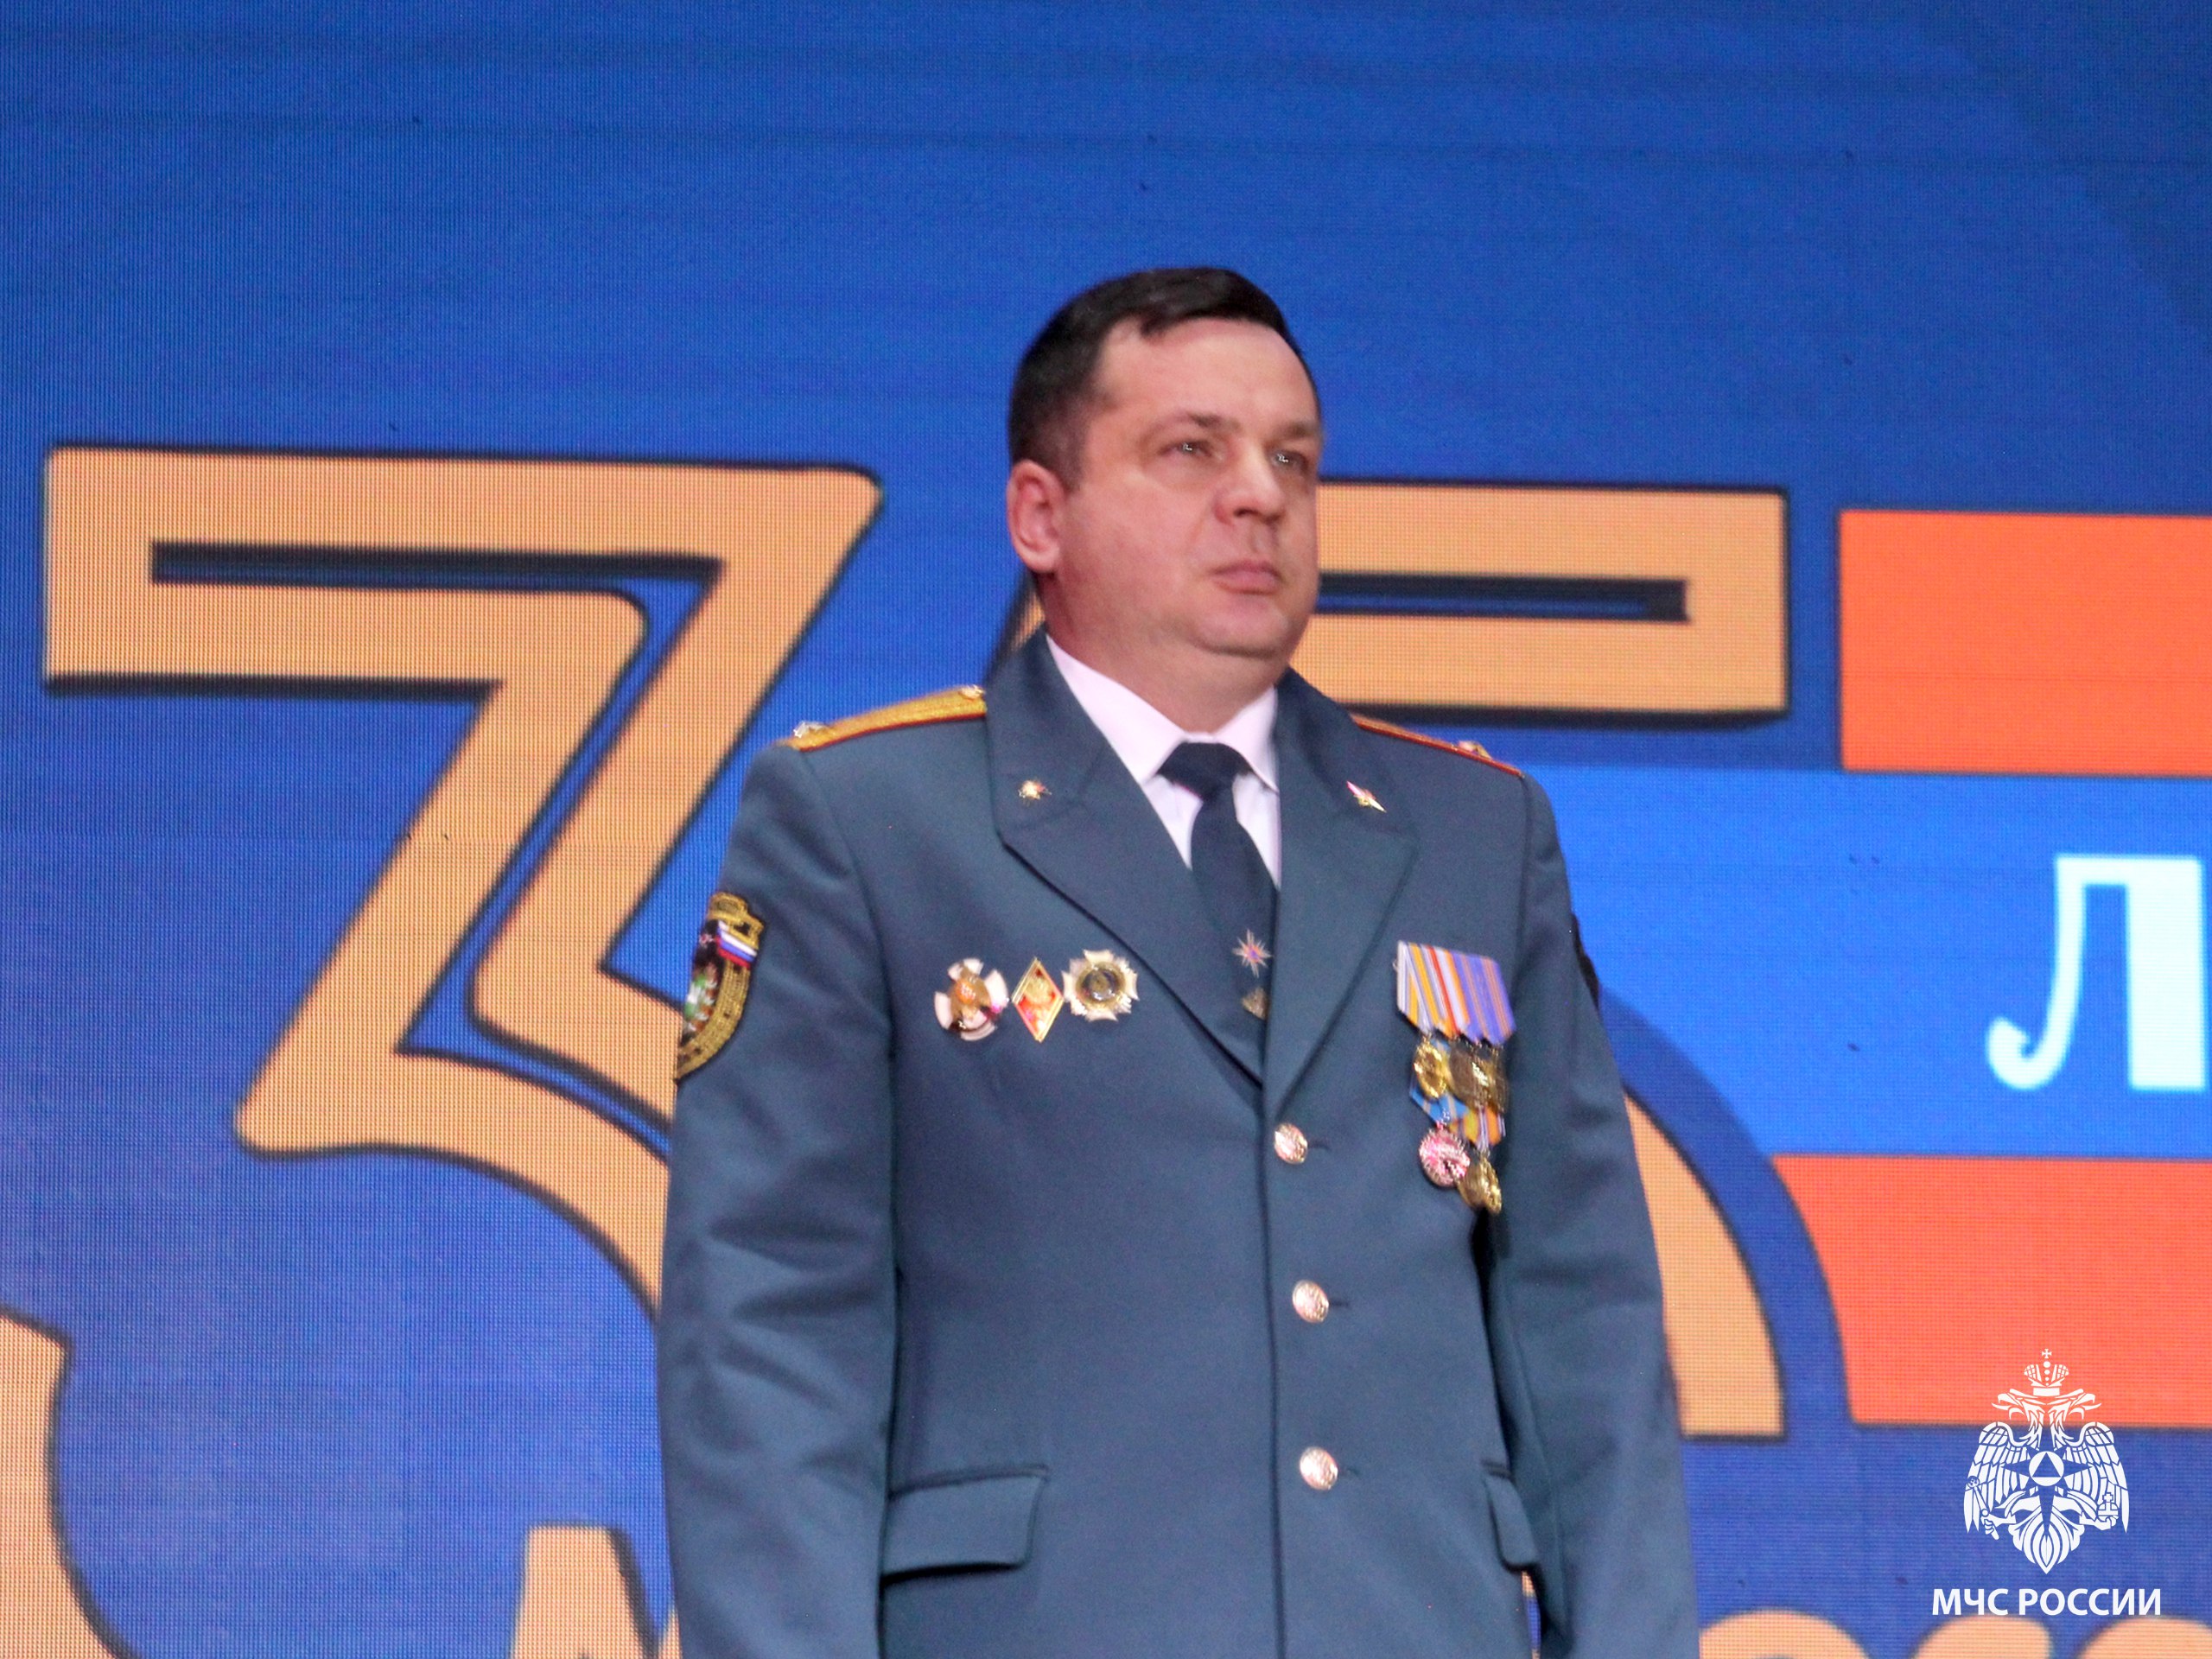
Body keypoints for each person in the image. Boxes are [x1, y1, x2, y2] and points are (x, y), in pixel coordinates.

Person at [658, 267, 1696, 1658]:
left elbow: (1584, 1327)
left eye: (1293, 459)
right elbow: (770, 1330)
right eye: (1192, 450)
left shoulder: (1475, 832)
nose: (1259, 495)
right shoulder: (867, 821)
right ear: (1040, 514)